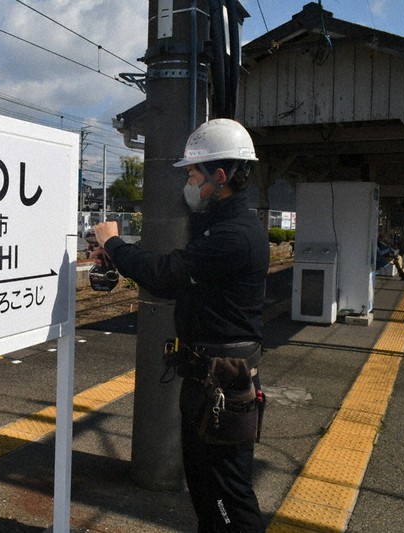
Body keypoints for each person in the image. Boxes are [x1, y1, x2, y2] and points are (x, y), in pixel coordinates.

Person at [92, 118, 268, 532]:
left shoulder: (235, 235)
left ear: (219, 176)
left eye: (193, 173)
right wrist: (121, 256)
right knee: (209, 491)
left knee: (228, 498)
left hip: (222, 384)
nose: (188, 181)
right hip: (210, 382)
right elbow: (177, 277)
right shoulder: (222, 225)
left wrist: (113, 243)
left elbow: (168, 274)